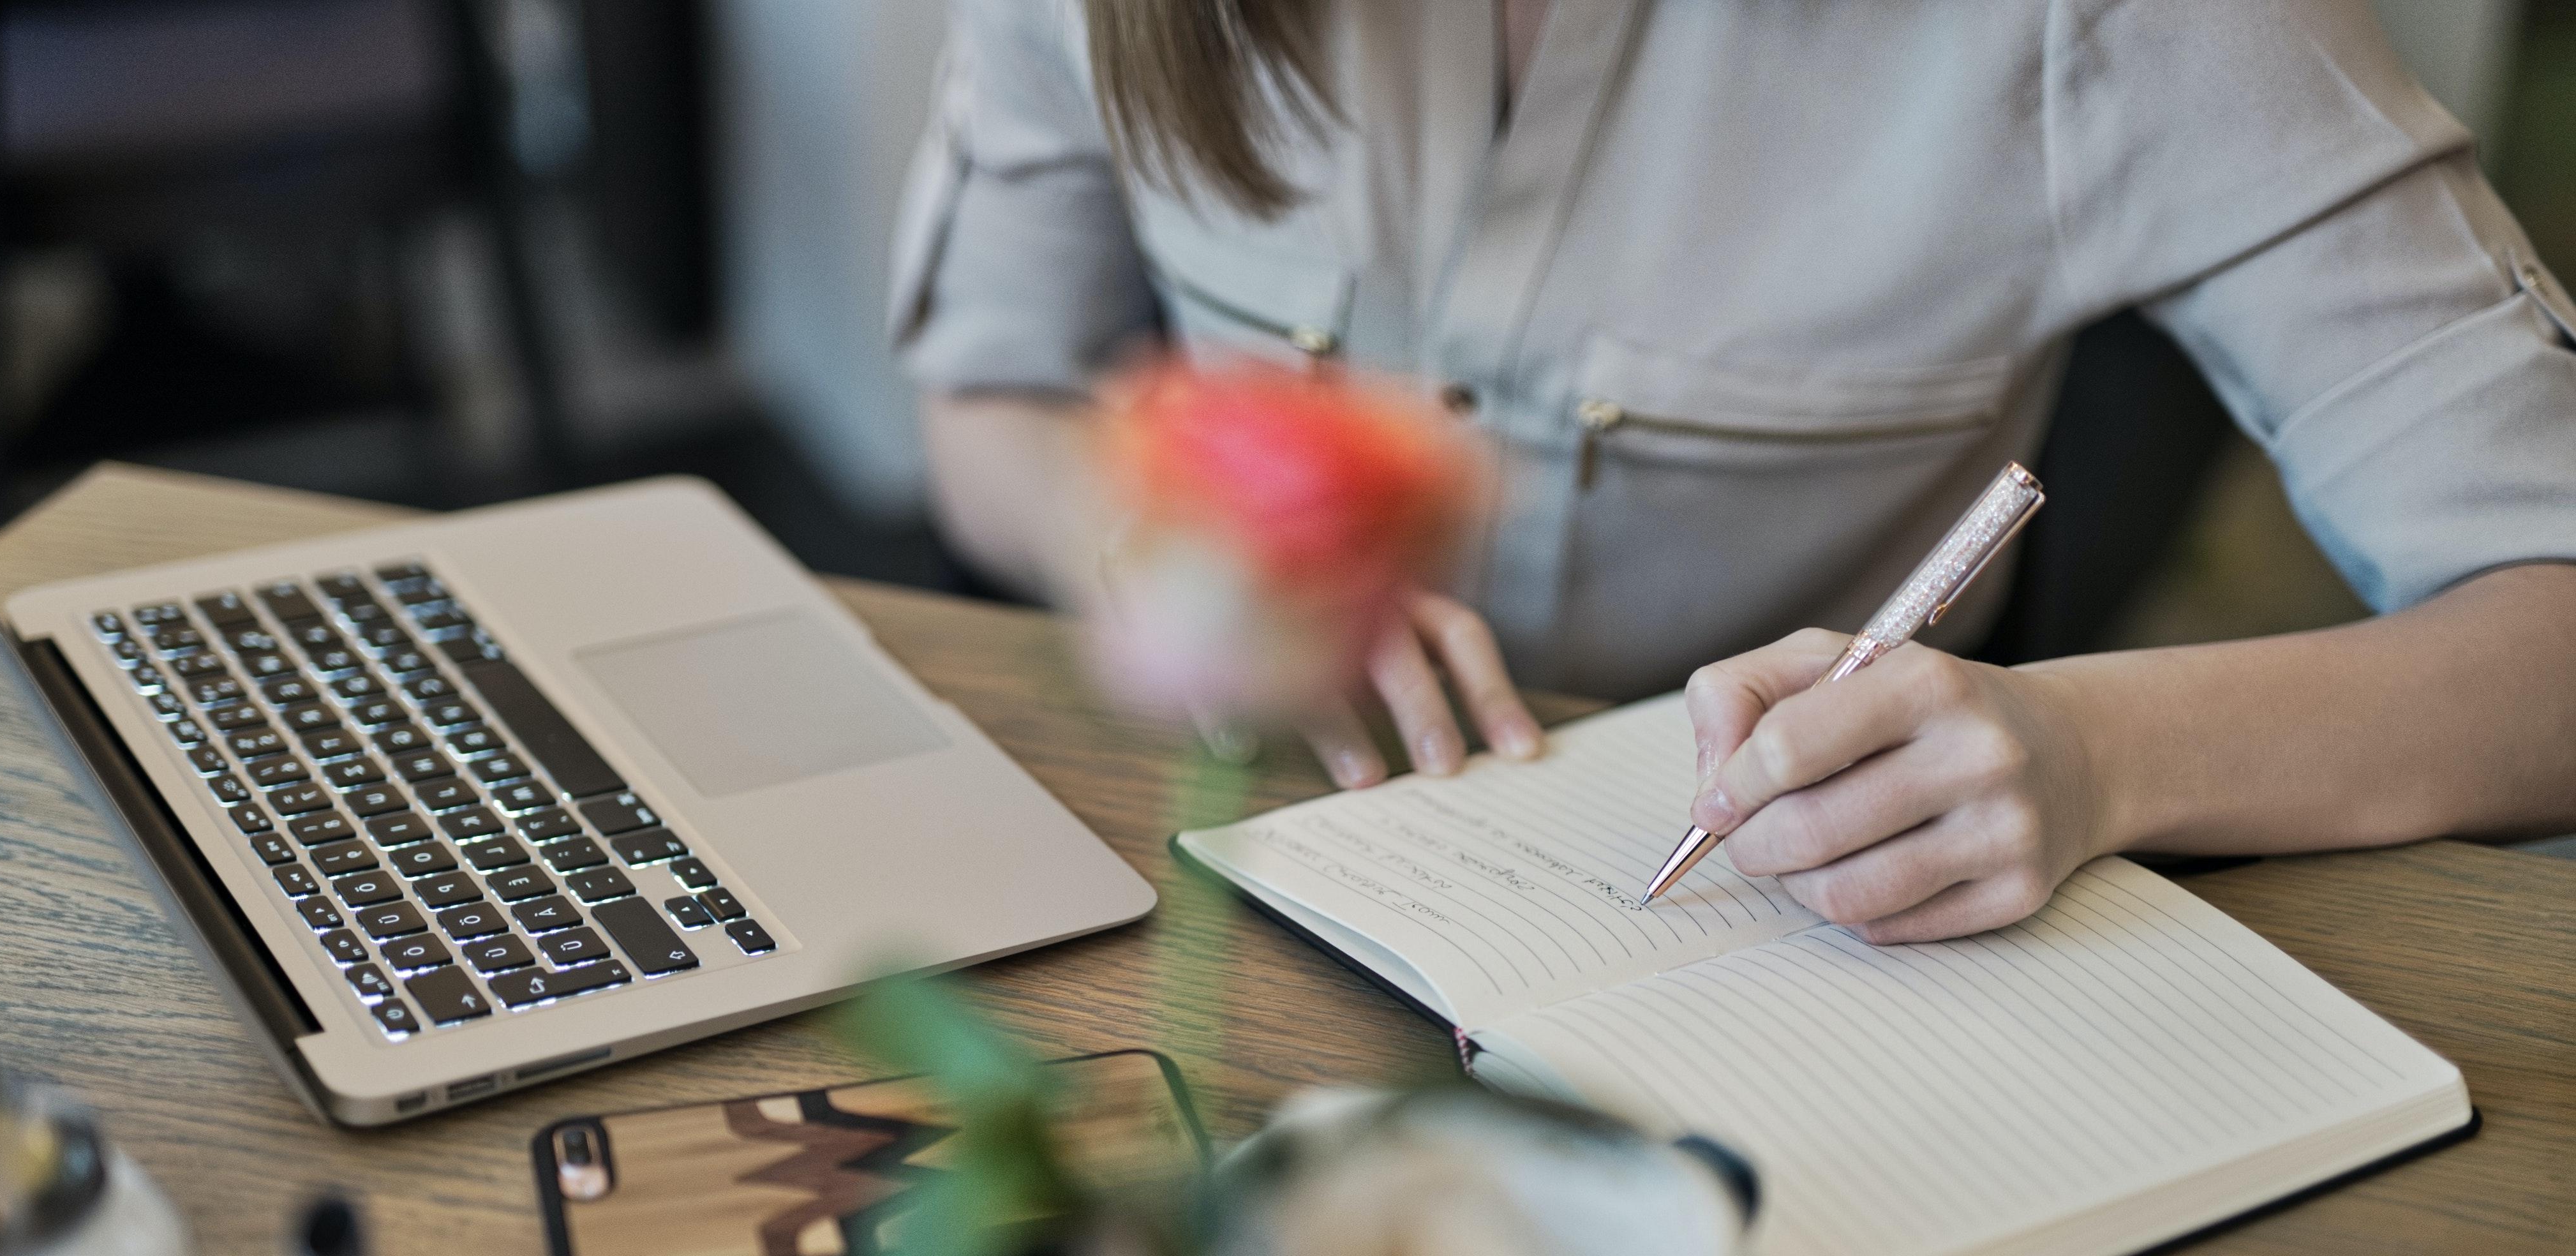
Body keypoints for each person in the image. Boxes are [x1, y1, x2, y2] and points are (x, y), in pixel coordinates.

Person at [891, 0, 2576, 943]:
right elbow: (986, 404)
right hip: (1212, 891)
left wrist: (2093, 747)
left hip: (1778, 952)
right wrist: (1131, 538)